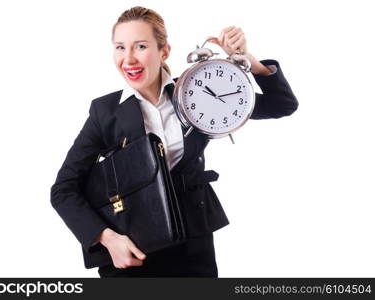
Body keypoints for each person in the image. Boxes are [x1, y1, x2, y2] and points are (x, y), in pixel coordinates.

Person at [50, 6, 298, 278]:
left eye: (140, 46)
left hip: (194, 249)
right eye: (120, 47)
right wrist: (108, 239)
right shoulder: (105, 112)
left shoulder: (198, 90)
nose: (128, 59)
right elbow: (64, 189)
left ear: (164, 51)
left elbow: (281, 105)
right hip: (132, 252)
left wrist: (245, 59)